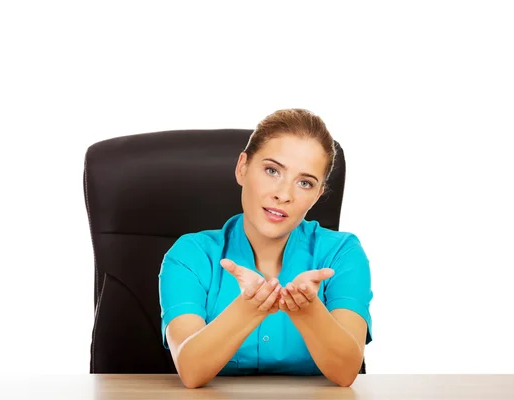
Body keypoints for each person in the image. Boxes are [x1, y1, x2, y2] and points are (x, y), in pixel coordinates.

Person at [158, 108, 373, 388]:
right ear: (242, 168)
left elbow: (346, 372)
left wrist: (307, 312)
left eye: (305, 183)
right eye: (272, 171)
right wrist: (250, 309)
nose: (283, 195)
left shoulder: (343, 254)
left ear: (318, 195)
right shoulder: (190, 255)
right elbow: (191, 370)